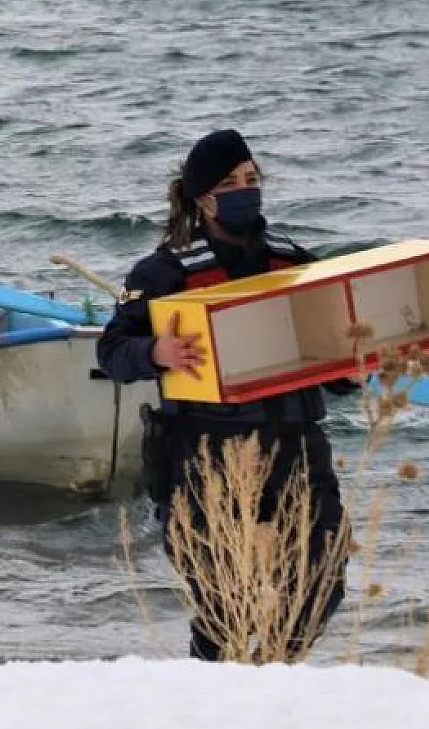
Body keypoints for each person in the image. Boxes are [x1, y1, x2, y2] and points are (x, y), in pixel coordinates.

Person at [96, 129, 353, 662]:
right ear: (201, 198)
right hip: (205, 452)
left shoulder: (295, 263)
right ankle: (215, 702)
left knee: (322, 578)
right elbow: (111, 351)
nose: (245, 189)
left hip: (296, 447)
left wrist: (361, 360)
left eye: (252, 179)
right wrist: (156, 353)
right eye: (231, 182)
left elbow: (336, 370)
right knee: (220, 609)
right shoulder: (163, 272)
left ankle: (273, 671)